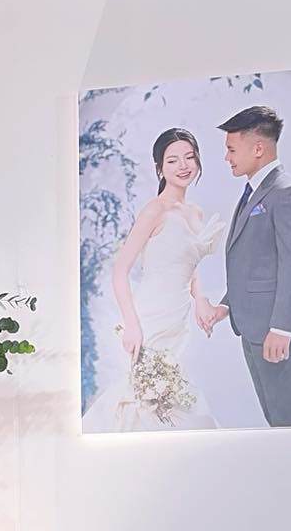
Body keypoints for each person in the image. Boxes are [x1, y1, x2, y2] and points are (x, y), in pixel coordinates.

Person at [83, 126, 222, 432]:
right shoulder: (154, 211)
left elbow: (189, 261)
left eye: (189, 157)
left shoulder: (195, 212)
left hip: (178, 318)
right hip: (151, 316)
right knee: (147, 394)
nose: (183, 166)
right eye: (172, 160)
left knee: (166, 394)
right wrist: (132, 324)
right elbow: (120, 271)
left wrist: (200, 299)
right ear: (159, 168)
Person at [201, 104, 291, 428]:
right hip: (254, 329)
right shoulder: (255, 190)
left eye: (231, 149)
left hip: (277, 330)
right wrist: (226, 306)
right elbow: (256, 263)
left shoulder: (288, 192)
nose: (226, 157)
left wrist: (281, 329)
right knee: (276, 420)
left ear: (258, 148)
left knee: (290, 421)